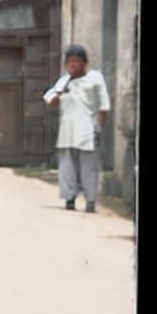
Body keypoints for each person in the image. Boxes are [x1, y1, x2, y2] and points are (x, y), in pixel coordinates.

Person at [43, 45, 110, 213]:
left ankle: (91, 201)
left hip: (88, 130)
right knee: (67, 168)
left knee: (89, 168)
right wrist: (63, 88)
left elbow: (104, 106)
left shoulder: (95, 78)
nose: (72, 65)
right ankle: (70, 199)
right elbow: (51, 100)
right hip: (67, 132)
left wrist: (100, 129)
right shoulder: (64, 80)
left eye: (76, 62)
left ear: (84, 63)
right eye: (69, 62)